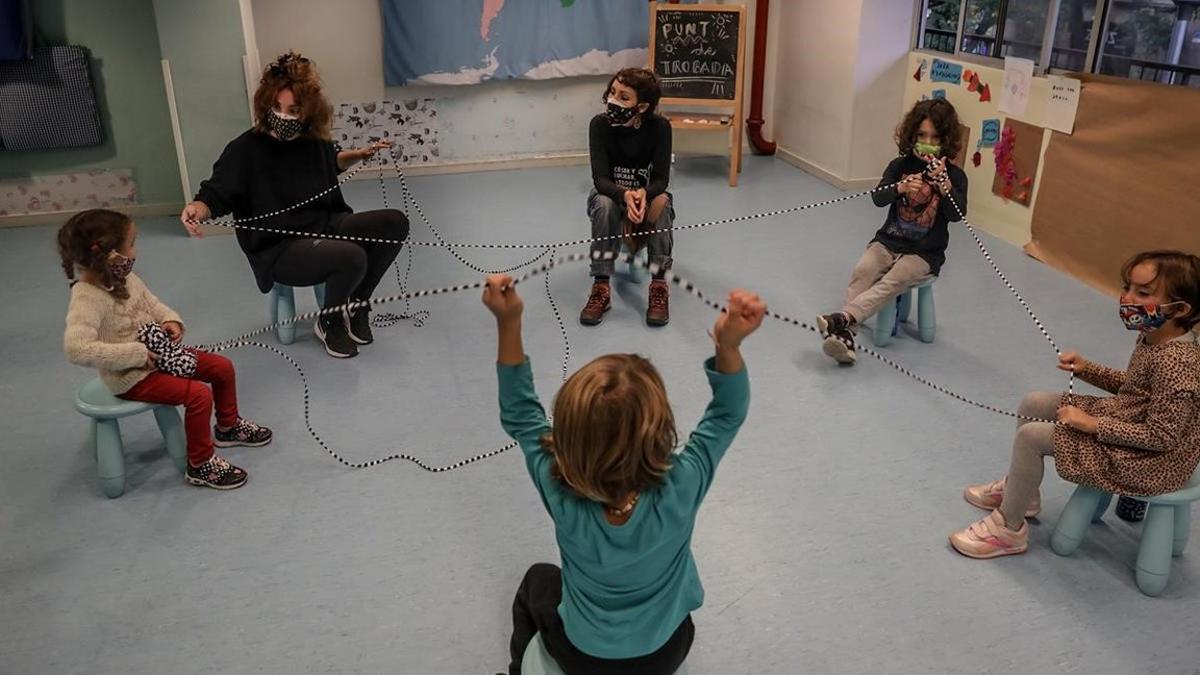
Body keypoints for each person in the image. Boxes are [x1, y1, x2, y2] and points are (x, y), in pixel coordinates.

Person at [484, 272, 764, 674]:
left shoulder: (560, 490)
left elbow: (521, 416)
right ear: (659, 431)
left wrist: (508, 322)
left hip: (583, 656)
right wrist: (728, 345)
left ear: (567, 438)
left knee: (536, 581)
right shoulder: (682, 483)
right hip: (666, 651)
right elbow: (726, 415)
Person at [950, 251, 1200, 558]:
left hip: (1150, 461)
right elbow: (1135, 389)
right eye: (1127, 287)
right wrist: (1087, 369)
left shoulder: (1178, 363)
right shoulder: (1153, 334)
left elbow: (1162, 437)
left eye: (1143, 293)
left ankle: (1008, 530)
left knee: (1031, 438)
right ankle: (1022, 491)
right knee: (1035, 402)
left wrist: (1091, 423)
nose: (1127, 299)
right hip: (1129, 421)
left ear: (1179, 308)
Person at [181, 51, 409, 359]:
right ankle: (329, 322)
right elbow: (217, 193)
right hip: (279, 246)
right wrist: (198, 208)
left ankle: (356, 306)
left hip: (324, 224)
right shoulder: (245, 149)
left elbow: (328, 162)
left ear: (308, 111)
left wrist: (358, 155)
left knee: (394, 222)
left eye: (294, 109)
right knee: (352, 257)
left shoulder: (312, 140)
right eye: (277, 107)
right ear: (266, 103)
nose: (284, 116)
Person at [61, 209, 272, 490]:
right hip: (131, 377)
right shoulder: (87, 297)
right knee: (198, 395)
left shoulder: (126, 279)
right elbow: (76, 349)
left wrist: (170, 319)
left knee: (222, 367)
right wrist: (135, 354)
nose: (135, 251)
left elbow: (152, 303)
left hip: (161, 357)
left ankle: (228, 426)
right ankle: (200, 464)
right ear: (112, 255)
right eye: (131, 244)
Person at [816, 98, 968, 364]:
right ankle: (846, 337)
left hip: (924, 253)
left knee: (895, 279)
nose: (927, 142)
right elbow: (878, 198)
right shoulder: (899, 166)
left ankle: (844, 319)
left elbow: (957, 215)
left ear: (945, 141)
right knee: (863, 271)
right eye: (921, 135)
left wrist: (945, 188)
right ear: (912, 135)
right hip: (888, 241)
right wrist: (898, 188)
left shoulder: (955, 176)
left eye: (934, 137)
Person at [580, 68, 675, 327]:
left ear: (642, 106)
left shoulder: (660, 128)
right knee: (603, 202)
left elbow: (661, 180)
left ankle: (658, 285)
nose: (613, 100)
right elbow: (600, 180)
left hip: (645, 200)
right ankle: (601, 286)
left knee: (663, 200)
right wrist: (626, 195)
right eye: (612, 92)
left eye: (624, 97)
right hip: (612, 199)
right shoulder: (599, 125)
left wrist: (644, 194)